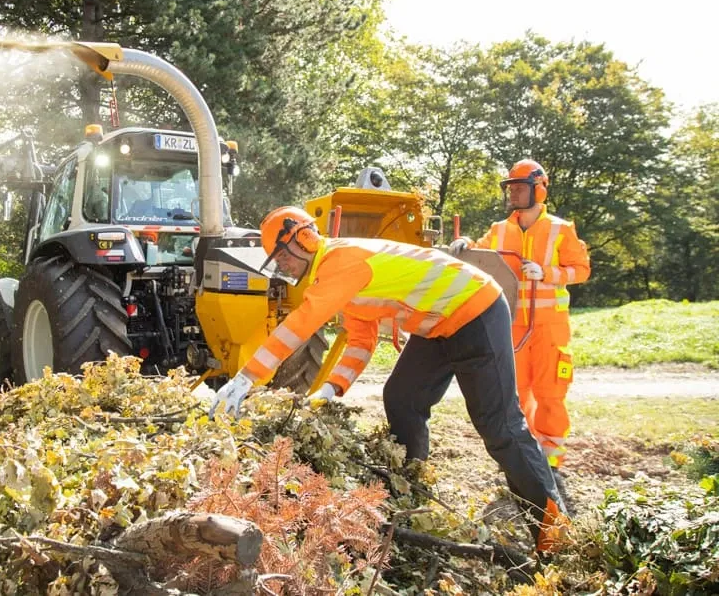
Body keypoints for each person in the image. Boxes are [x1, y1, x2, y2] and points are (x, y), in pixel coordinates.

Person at [210, 205, 569, 552]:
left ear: (303, 239)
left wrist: (246, 377)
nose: (283, 266)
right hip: (438, 324)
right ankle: (410, 487)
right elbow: (361, 341)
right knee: (402, 399)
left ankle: (553, 526)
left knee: (500, 426)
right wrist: (333, 389)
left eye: (283, 256)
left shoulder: (341, 261)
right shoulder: (333, 274)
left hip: (475, 309)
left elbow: (301, 324)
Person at [449, 160, 590, 482]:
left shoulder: (560, 229)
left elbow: (581, 270)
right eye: (510, 188)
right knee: (514, 393)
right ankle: (523, 455)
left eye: (519, 188)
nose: (513, 193)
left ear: (538, 190)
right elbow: (478, 252)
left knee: (550, 392)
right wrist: (464, 243)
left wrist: (549, 274)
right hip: (511, 326)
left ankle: (551, 459)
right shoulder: (499, 230)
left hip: (549, 328)